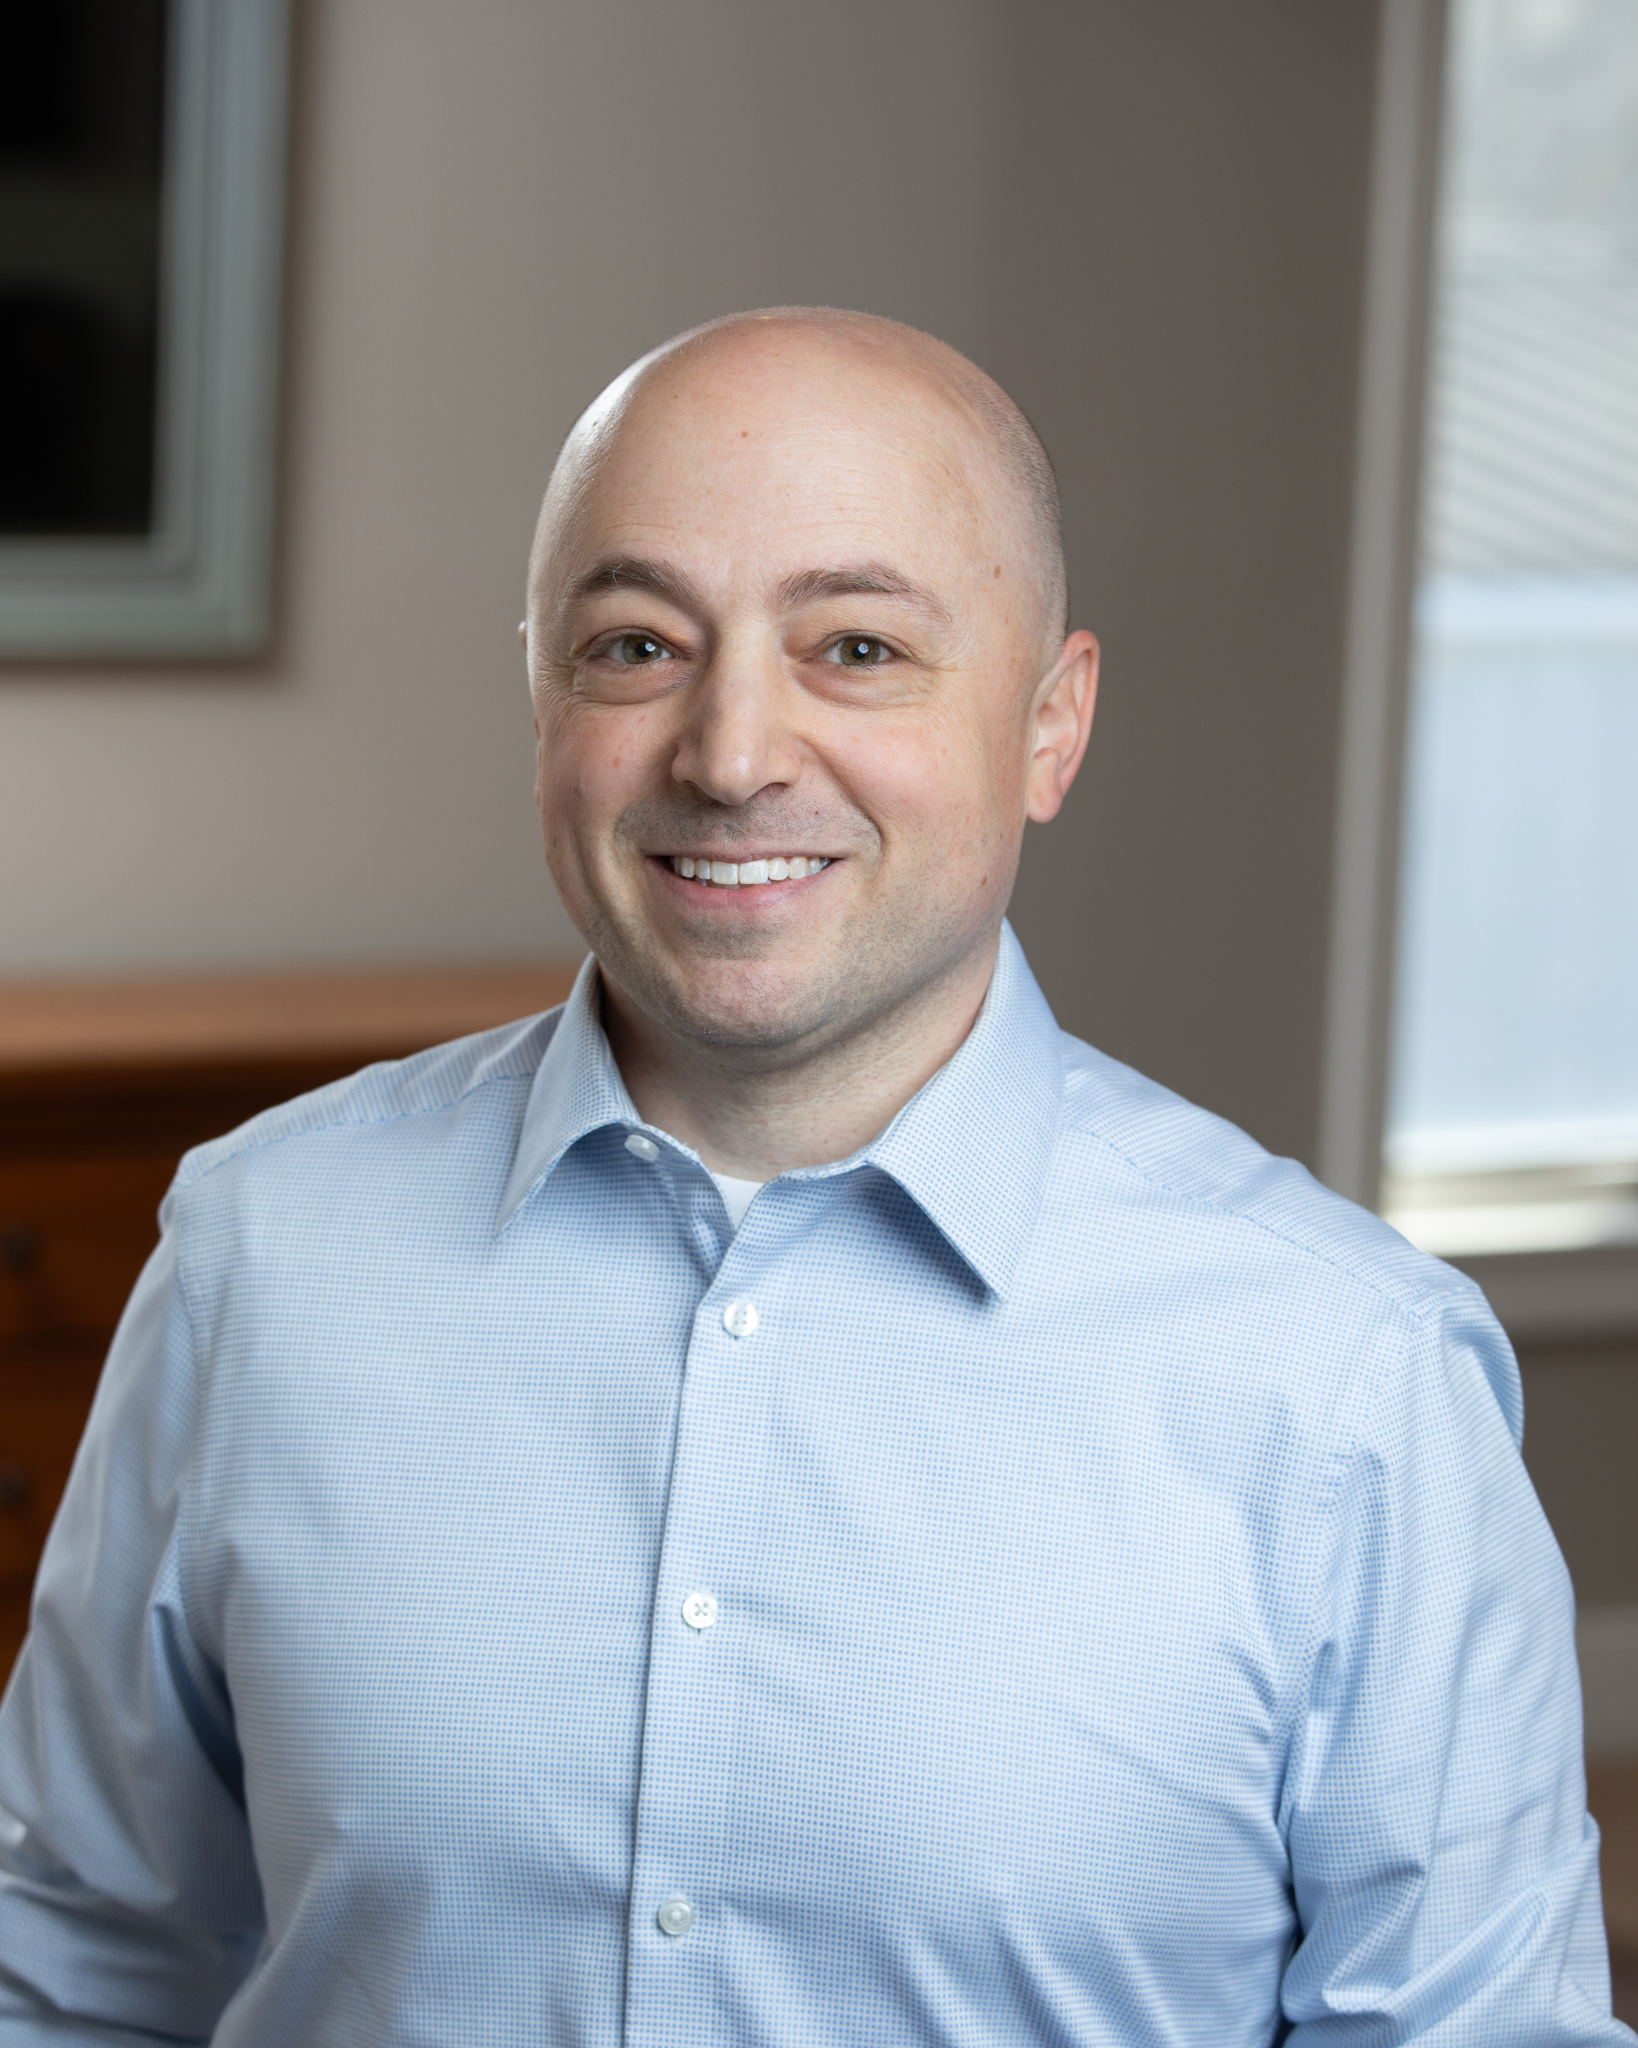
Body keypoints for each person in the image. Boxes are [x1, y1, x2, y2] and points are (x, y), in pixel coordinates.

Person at [0, 308, 1624, 2046]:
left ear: (1050, 725)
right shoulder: (262, 1257)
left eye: (855, 646)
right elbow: (74, 1966)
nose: (728, 753)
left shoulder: (1346, 1380)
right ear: (540, 691)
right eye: (636, 646)